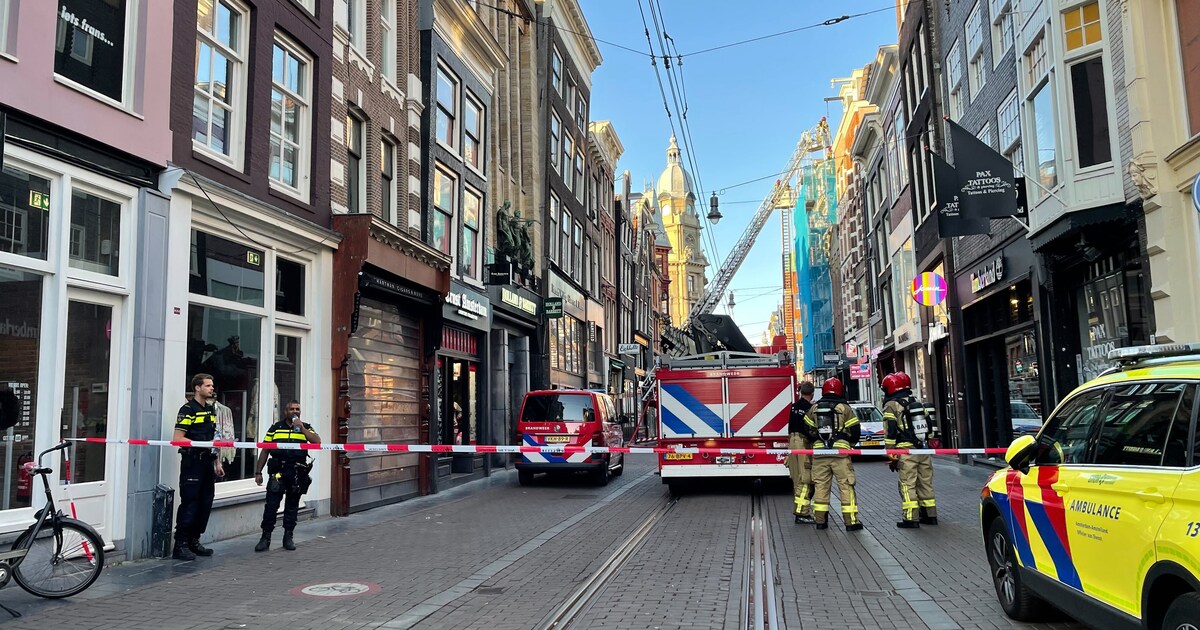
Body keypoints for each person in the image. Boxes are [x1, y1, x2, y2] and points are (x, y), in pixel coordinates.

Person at [254, 400, 320, 551]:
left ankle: (288, 537)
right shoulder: (276, 428)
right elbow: (265, 450)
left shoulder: (306, 427)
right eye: (292, 409)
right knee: (271, 506)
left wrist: (302, 428)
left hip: (297, 472)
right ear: (286, 411)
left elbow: (317, 442)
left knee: (292, 506)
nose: (295, 411)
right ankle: (265, 537)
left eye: (297, 409)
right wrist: (258, 472)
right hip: (279, 471)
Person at [173, 373, 223, 560]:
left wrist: (217, 462)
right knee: (190, 503)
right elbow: (178, 439)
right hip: (192, 462)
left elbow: (214, 439)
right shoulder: (188, 410)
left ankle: (194, 541)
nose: (211, 388)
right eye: (208, 386)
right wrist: (201, 445)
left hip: (207, 463)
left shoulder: (210, 410)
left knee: (205, 503)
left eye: (212, 385)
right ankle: (181, 544)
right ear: (197, 388)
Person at [803, 378, 862, 531]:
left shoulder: (814, 408)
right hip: (840, 453)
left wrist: (816, 440)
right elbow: (855, 431)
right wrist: (849, 444)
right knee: (846, 486)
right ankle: (851, 522)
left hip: (820, 453)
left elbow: (806, 429)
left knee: (821, 487)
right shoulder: (845, 408)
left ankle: (821, 522)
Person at [882, 371, 938, 529]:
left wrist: (891, 455)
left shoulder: (891, 406)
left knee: (908, 484)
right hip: (922, 449)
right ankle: (930, 515)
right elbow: (929, 423)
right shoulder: (916, 402)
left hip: (905, 451)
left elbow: (890, 430)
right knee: (925, 482)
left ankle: (910, 518)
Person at [786, 381, 817, 524]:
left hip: (792, 443)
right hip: (802, 443)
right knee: (805, 479)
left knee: (796, 478)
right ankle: (802, 513)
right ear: (812, 393)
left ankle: (801, 511)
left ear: (800, 392)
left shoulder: (794, 407)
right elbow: (810, 431)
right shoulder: (810, 408)